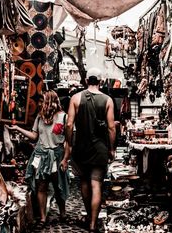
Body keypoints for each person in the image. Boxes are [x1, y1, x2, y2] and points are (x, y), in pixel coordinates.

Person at [62, 68, 116, 232]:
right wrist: (112, 149)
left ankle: (88, 217)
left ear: (86, 81)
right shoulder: (108, 100)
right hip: (100, 148)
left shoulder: (76, 98)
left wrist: (69, 144)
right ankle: (93, 222)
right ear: (100, 81)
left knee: (84, 183)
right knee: (97, 184)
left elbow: (69, 124)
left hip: (81, 147)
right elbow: (111, 128)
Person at [8, 90, 69, 226]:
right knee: (41, 187)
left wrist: (65, 158)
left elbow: (69, 141)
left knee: (58, 187)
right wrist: (18, 129)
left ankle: (63, 213)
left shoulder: (64, 117)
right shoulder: (39, 117)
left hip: (56, 156)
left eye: (42, 100)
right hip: (41, 156)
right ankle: (42, 217)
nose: (40, 103)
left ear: (50, 101)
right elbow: (35, 137)